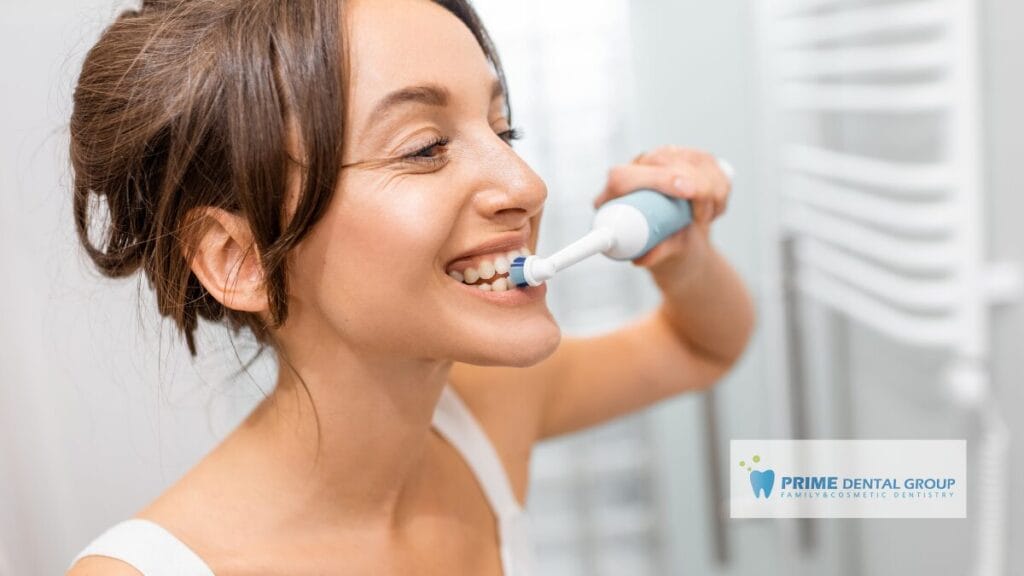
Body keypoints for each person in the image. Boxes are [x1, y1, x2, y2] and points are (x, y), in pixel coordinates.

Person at [65, 0, 755, 574]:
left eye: (502, 127)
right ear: (240, 258)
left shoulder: (489, 411)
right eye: (424, 148)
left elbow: (701, 348)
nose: (527, 185)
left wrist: (682, 257)